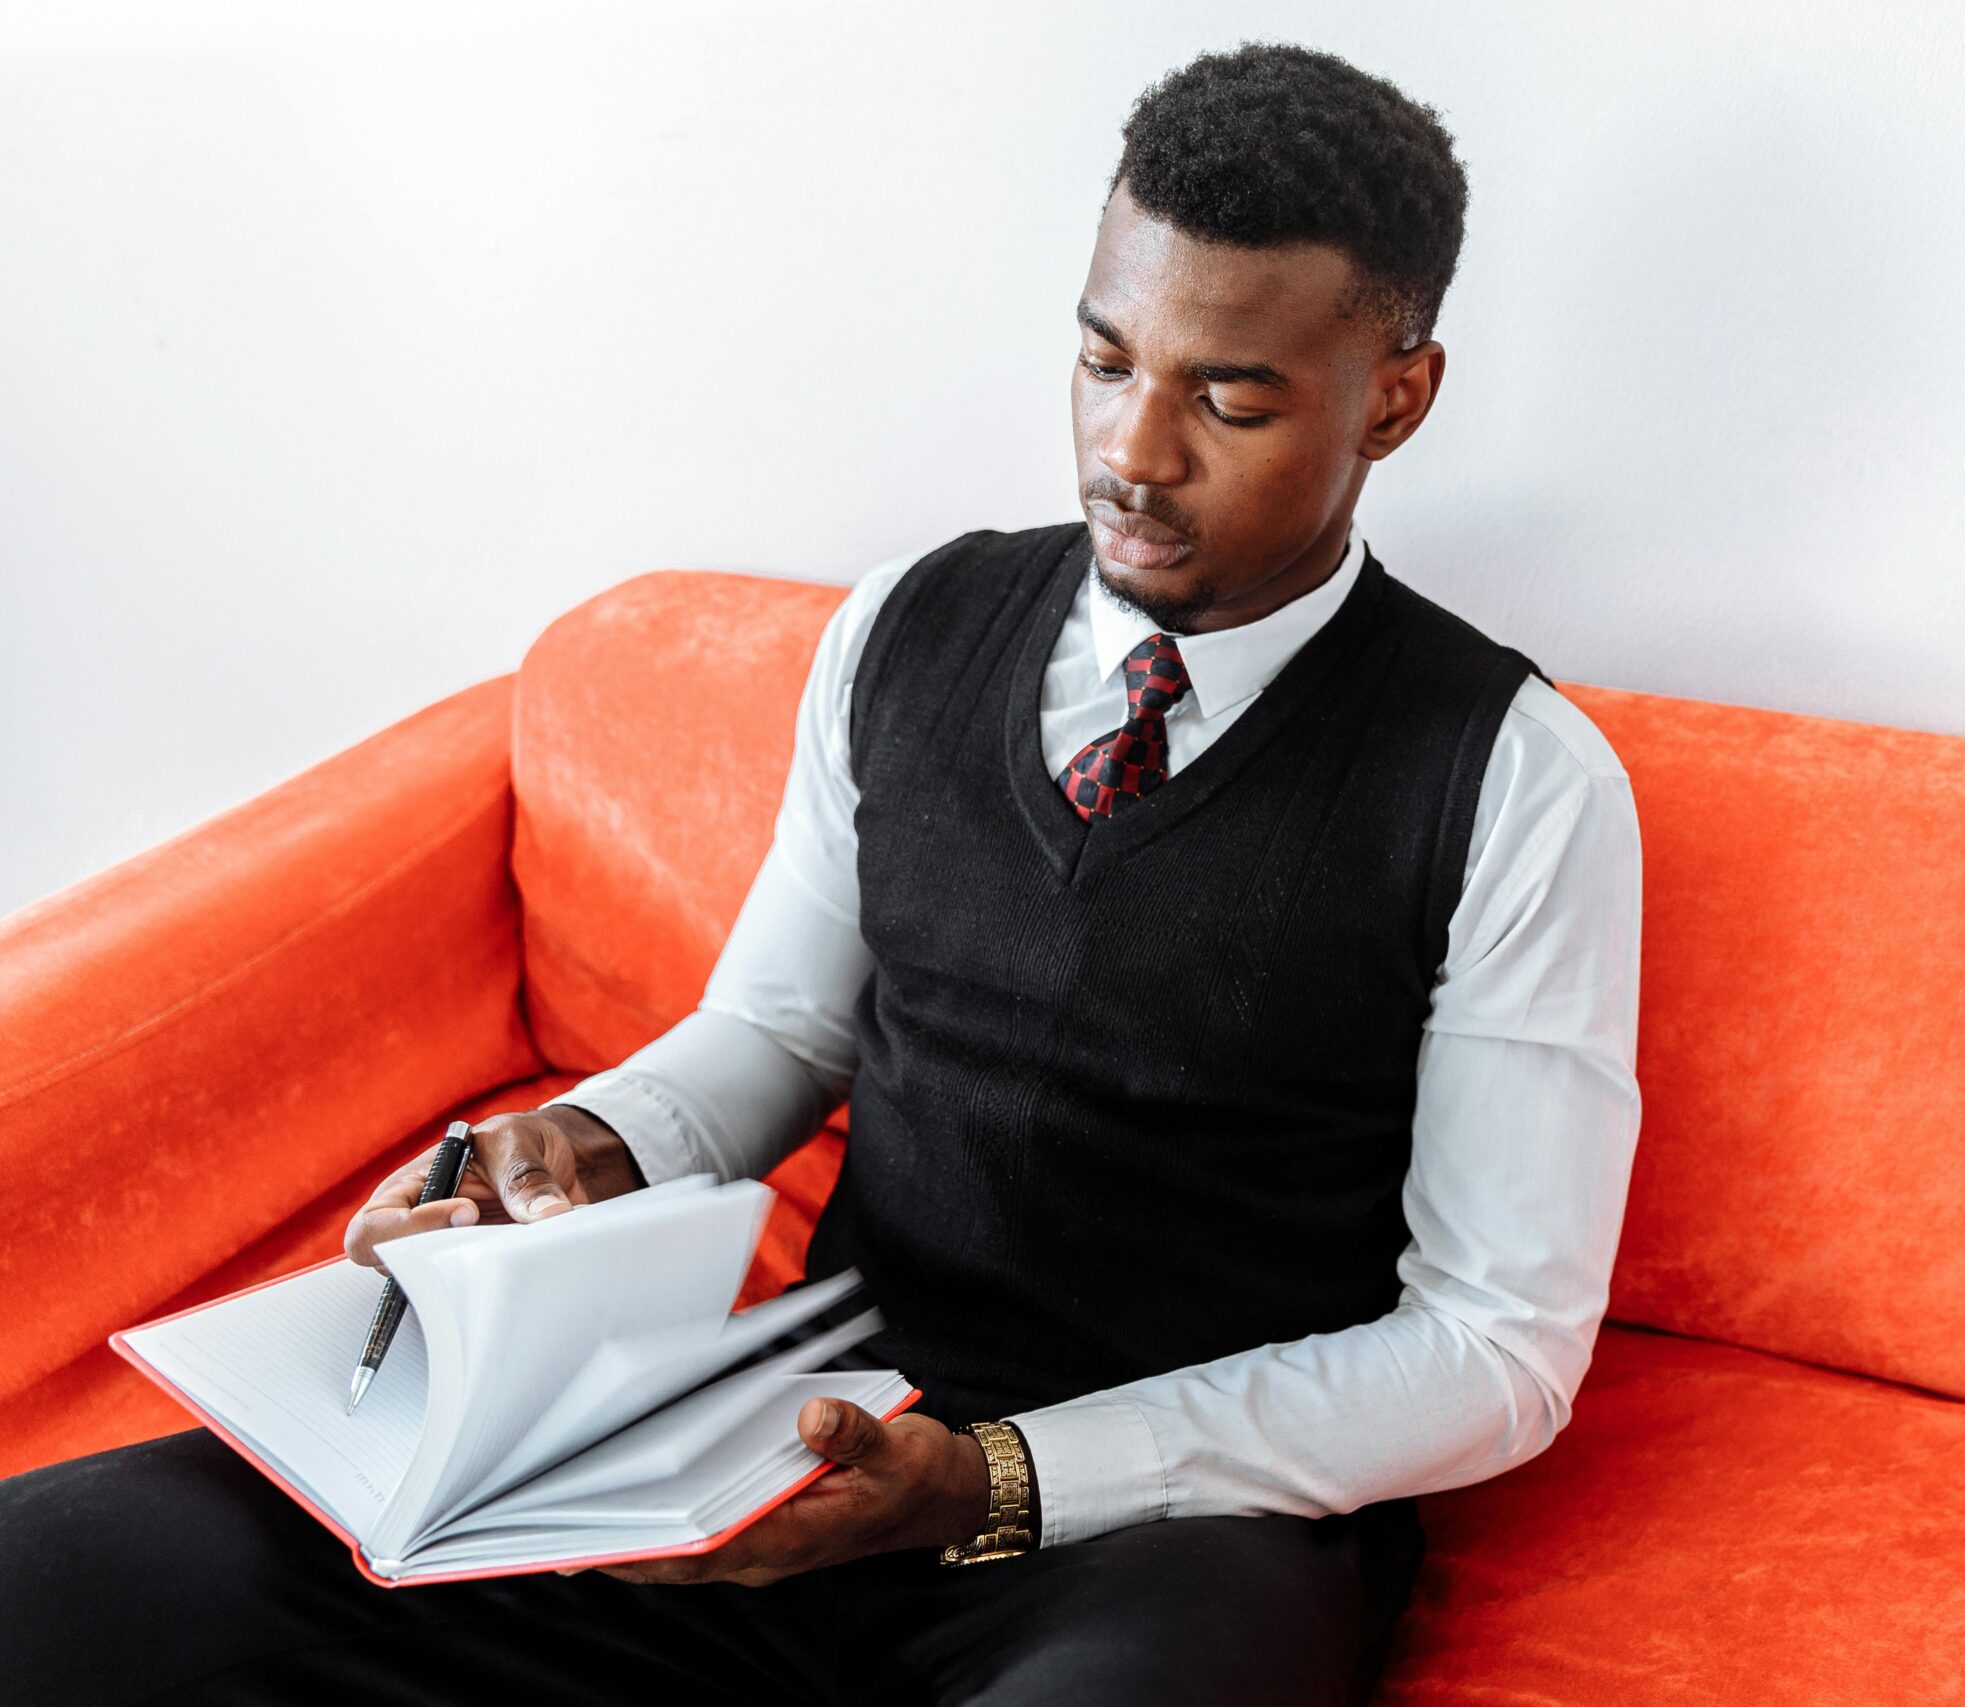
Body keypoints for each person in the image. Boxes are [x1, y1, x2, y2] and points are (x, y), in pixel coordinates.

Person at [0, 40, 1642, 1706]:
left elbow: (1493, 1354)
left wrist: (997, 1480)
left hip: (1164, 1526)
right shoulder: (903, 627)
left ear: (1396, 396)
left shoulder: (1513, 779)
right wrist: (593, 1140)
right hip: (799, 1433)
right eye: (1101, 358)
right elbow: (783, 1033)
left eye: (1229, 399)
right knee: (62, 1577)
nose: (1131, 453)